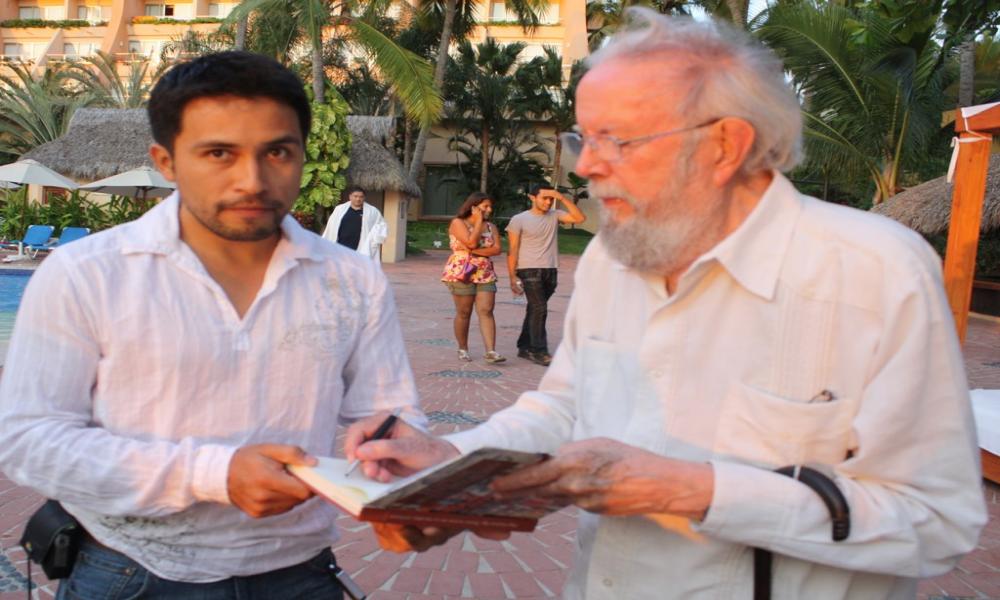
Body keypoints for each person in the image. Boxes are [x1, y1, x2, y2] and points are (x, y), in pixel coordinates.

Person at [343, 10, 987, 599]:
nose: (586, 167)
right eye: (581, 139)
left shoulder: (874, 273)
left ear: (724, 146)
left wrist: (694, 490)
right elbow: (567, 406)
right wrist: (456, 462)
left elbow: (935, 519)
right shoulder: (611, 258)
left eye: (615, 140)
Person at [0, 51, 423, 599]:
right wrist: (213, 474)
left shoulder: (352, 280)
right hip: (131, 570)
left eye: (278, 152)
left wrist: (400, 456)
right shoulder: (87, 274)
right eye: (219, 153)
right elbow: (30, 440)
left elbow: (389, 411)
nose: (253, 180)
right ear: (166, 160)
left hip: (298, 571)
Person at [507, 184, 585, 366]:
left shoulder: (555, 215)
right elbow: (512, 249)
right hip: (529, 269)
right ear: (532, 198)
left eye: (551, 199)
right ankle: (538, 350)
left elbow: (580, 218)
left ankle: (524, 346)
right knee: (540, 308)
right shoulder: (519, 219)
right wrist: (512, 277)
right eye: (545, 198)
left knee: (535, 309)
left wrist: (562, 197)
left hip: (550, 269)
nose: (548, 202)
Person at [440, 192, 506, 363]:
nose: (489, 210)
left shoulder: (491, 227)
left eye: (490, 206)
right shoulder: (458, 223)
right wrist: (477, 222)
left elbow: (497, 249)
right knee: (464, 312)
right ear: (473, 207)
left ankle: (491, 351)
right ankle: (463, 348)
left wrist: (473, 251)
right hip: (462, 272)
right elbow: (471, 241)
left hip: (485, 273)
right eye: (485, 206)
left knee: (486, 310)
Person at [322, 185, 388, 261]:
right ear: (350, 197)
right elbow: (330, 228)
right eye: (355, 196)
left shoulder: (372, 211)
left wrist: (375, 239)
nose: (358, 199)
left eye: (361, 197)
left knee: (358, 272)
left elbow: (382, 225)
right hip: (340, 248)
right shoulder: (339, 209)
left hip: (361, 249)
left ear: (364, 198)